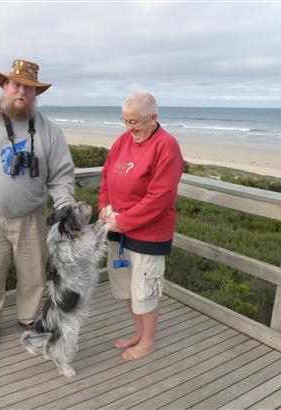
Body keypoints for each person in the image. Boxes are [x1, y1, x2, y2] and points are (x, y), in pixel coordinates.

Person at [0, 59, 75, 349]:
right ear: (4, 87)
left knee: (33, 274)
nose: (21, 91)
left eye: (29, 88)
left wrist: (65, 208)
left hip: (32, 216)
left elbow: (62, 175)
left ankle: (29, 317)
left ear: (36, 95)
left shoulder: (48, 130)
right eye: (16, 84)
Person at [99, 92, 184, 360]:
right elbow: (106, 177)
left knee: (144, 289)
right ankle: (138, 333)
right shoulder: (122, 141)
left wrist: (123, 221)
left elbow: (160, 197)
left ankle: (147, 341)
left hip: (148, 234)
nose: (129, 128)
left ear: (153, 117)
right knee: (126, 288)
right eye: (125, 121)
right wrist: (104, 206)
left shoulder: (166, 146)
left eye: (134, 122)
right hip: (117, 230)